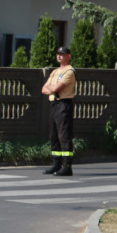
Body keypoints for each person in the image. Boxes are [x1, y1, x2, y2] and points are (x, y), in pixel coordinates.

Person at [41, 45, 76, 176]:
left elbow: (55, 89)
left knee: (64, 136)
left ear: (68, 56)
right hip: (54, 104)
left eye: (62, 54)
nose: (59, 56)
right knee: (54, 135)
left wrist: (52, 88)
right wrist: (52, 88)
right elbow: (43, 89)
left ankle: (67, 166)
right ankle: (56, 164)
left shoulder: (69, 71)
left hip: (63, 104)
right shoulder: (55, 71)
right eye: (58, 54)